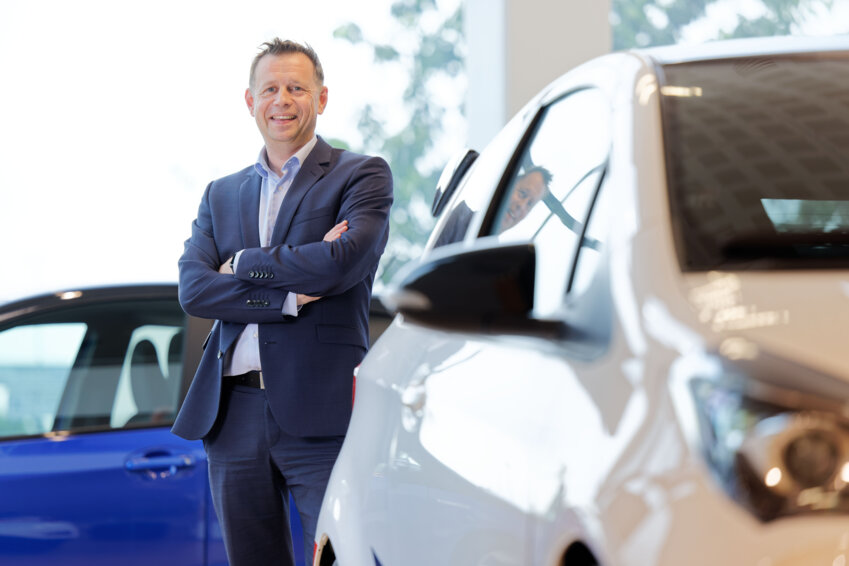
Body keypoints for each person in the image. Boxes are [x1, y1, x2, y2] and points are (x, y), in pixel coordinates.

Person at [171, 38, 393, 566]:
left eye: (297, 88)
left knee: (340, 555)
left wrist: (246, 263)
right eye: (270, 89)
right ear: (250, 102)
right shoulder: (219, 194)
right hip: (233, 414)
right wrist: (290, 297)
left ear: (321, 98)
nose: (283, 100)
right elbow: (194, 290)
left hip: (322, 412)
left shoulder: (359, 175)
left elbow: (342, 262)